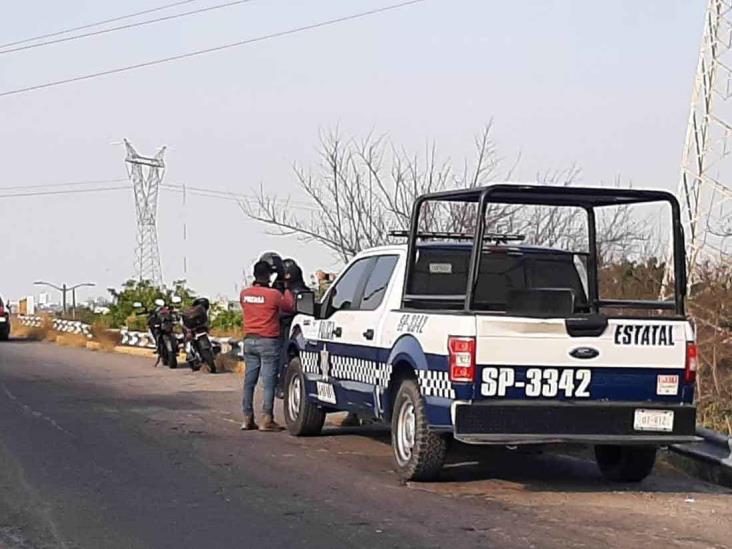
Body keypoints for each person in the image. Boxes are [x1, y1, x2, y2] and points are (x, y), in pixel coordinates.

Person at [240, 260, 295, 432]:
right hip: (268, 341)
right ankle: (267, 418)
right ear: (269, 276)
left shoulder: (244, 294)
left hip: (249, 341)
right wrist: (286, 286)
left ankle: (247, 418)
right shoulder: (273, 295)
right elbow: (290, 306)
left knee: (249, 382)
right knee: (269, 382)